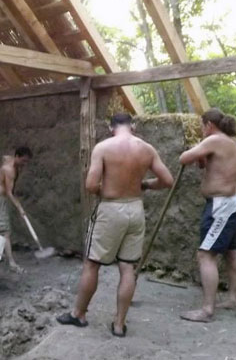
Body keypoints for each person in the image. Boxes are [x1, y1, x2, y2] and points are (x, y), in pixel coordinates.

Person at [57, 113, 173, 337]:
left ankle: (78, 314)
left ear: (111, 128)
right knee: (128, 267)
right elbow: (167, 180)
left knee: (92, 264)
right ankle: (119, 324)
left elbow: (91, 185)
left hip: (111, 209)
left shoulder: (103, 147)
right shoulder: (147, 149)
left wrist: (109, 189)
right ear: (133, 126)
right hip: (135, 209)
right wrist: (144, 185)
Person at [179, 108, 236, 323]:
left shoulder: (215, 140)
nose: (202, 130)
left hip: (221, 206)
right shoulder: (234, 143)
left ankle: (207, 310)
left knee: (205, 255)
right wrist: (233, 180)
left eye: (202, 126)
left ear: (209, 125)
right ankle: (233, 299)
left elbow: (184, 158)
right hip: (231, 202)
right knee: (231, 251)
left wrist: (198, 149)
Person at [0, 146, 33, 273]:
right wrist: (20, 208)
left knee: (4, 230)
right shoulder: (9, 170)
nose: (24, 164)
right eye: (23, 161)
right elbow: (9, 193)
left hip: (4, 199)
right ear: (17, 156)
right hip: (1, 200)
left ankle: (0, 255)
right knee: (5, 232)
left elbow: (4, 157)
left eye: (27, 161)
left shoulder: (11, 160)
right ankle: (11, 264)